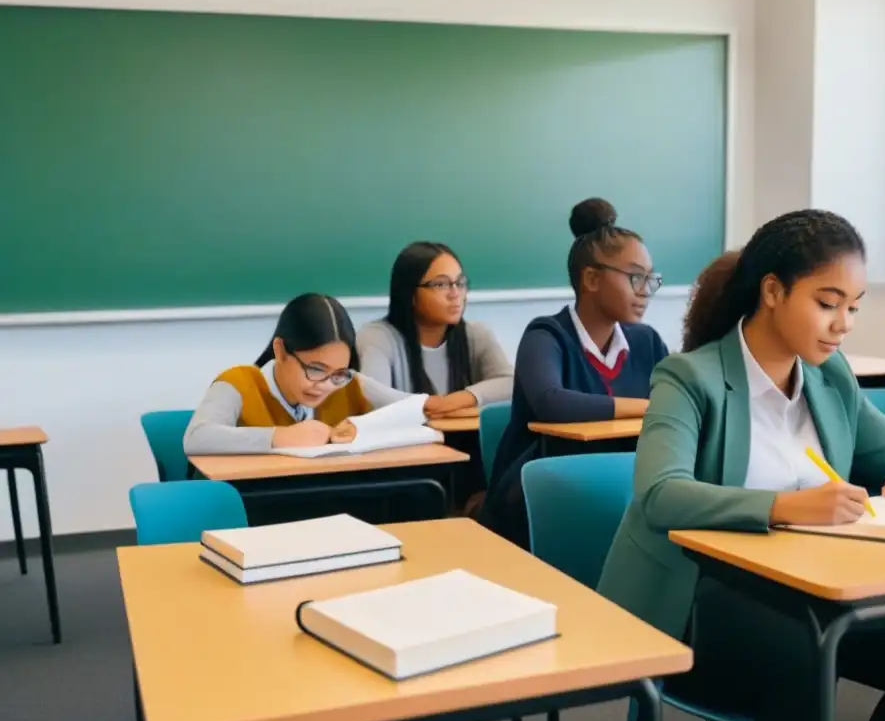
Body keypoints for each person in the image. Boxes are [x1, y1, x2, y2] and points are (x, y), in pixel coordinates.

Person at [598, 209, 885, 721]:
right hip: (699, 596)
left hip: (808, 591)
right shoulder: (689, 377)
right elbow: (659, 494)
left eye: (854, 307)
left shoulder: (830, 377)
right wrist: (784, 507)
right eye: (827, 303)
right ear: (772, 291)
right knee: (806, 660)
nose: (845, 324)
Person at [481, 198, 669, 548]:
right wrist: (647, 406)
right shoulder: (547, 335)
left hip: (623, 494)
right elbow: (553, 404)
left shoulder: (647, 342)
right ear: (592, 278)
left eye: (650, 279)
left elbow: (677, 403)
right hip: (538, 500)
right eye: (634, 277)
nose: (645, 291)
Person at [184, 292, 406, 455]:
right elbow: (196, 437)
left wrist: (365, 427)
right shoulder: (239, 383)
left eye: (338, 373)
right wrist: (280, 436)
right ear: (280, 351)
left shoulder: (346, 383)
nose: (325, 385)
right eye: (315, 369)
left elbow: (413, 409)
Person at [356, 242, 513, 416]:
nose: (455, 294)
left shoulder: (476, 334)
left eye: (460, 283)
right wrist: (429, 404)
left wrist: (458, 400)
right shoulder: (378, 337)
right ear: (410, 293)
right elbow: (370, 391)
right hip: (406, 441)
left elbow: (510, 382)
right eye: (440, 285)